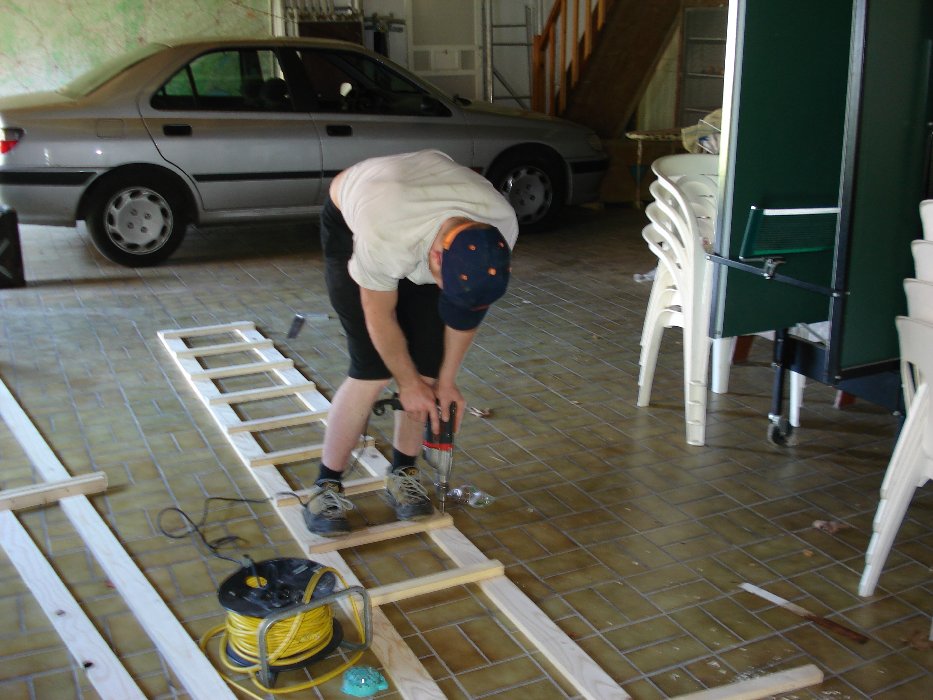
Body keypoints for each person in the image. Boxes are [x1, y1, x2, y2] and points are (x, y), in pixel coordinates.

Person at [305, 149, 519, 536]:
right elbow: (378, 314)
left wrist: (446, 381)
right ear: (435, 255)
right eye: (439, 278)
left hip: (420, 212)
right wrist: (405, 383)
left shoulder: (498, 232)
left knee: (428, 369)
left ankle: (403, 471)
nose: (438, 288)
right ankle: (326, 485)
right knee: (371, 370)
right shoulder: (385, 234)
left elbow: (468, 310)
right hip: (360, 213)